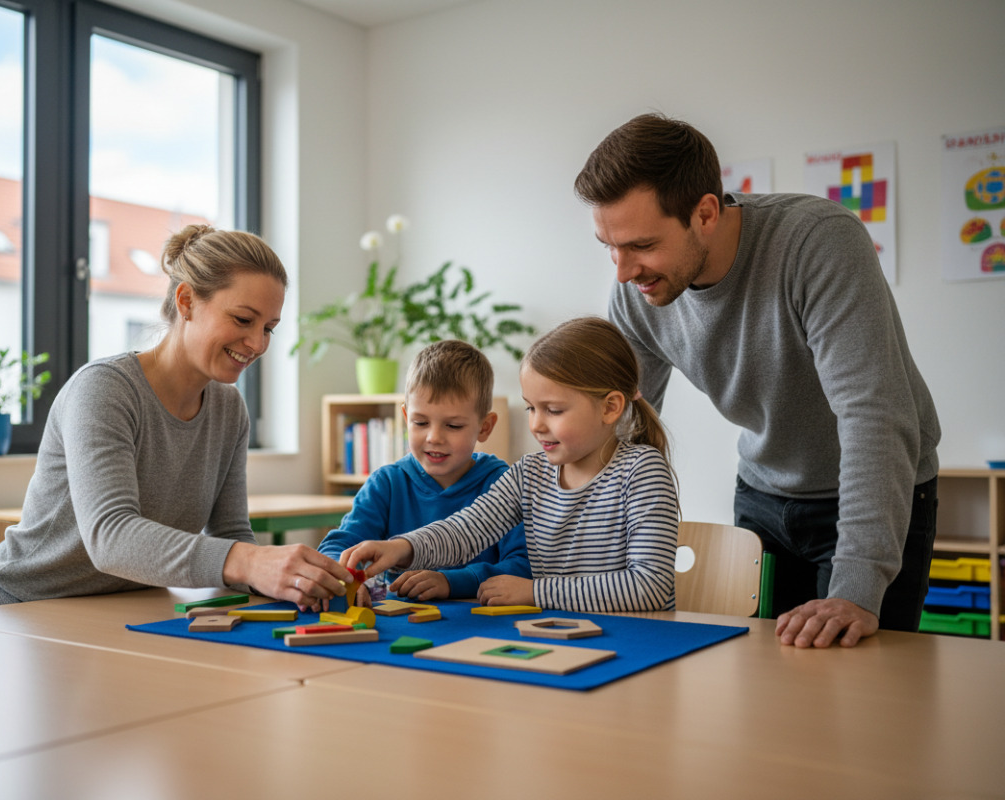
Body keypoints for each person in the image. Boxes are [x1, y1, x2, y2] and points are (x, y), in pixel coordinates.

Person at [573, 112, 941, 648]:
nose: (623, 271)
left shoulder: (818, 244)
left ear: (705, 213)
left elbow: (873, 416)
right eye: (609, 245)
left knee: (858, 694)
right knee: (765, 685)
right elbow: (620, 431)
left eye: (642, 245)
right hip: (763, 494)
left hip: (870, 495)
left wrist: (857, 590)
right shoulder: (633, 292)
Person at [0, 224, 350, 610]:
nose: (257, 343)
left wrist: (291, 581)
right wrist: (249, 562)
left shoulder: (229, 410)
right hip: (15, 608)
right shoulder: (104, 390)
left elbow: (231, 533)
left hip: (121, 608)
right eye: (243, 320)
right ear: (186, 301)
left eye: (269, 328)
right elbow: (110, 538)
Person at [341, 316, 679, 613]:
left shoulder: (641, 471)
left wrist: (534, 592)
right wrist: (402, 547)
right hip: (558, 634)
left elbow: (650, 586)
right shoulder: (528, 474)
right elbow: (465, 531)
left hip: (636, 639)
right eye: (531, 408)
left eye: (554, 410)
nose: (536, 424)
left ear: (610, 408)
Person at [317, 340, 530, 606]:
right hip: (397, 625)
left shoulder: (504, 485)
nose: (434, 437)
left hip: (479, 624)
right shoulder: (387, 483)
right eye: (420, 422)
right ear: (406, 418)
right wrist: (344, 581)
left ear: (485, 427)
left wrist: (452, 582)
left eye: (453, 425)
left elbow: (524, 567)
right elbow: (341, 544)